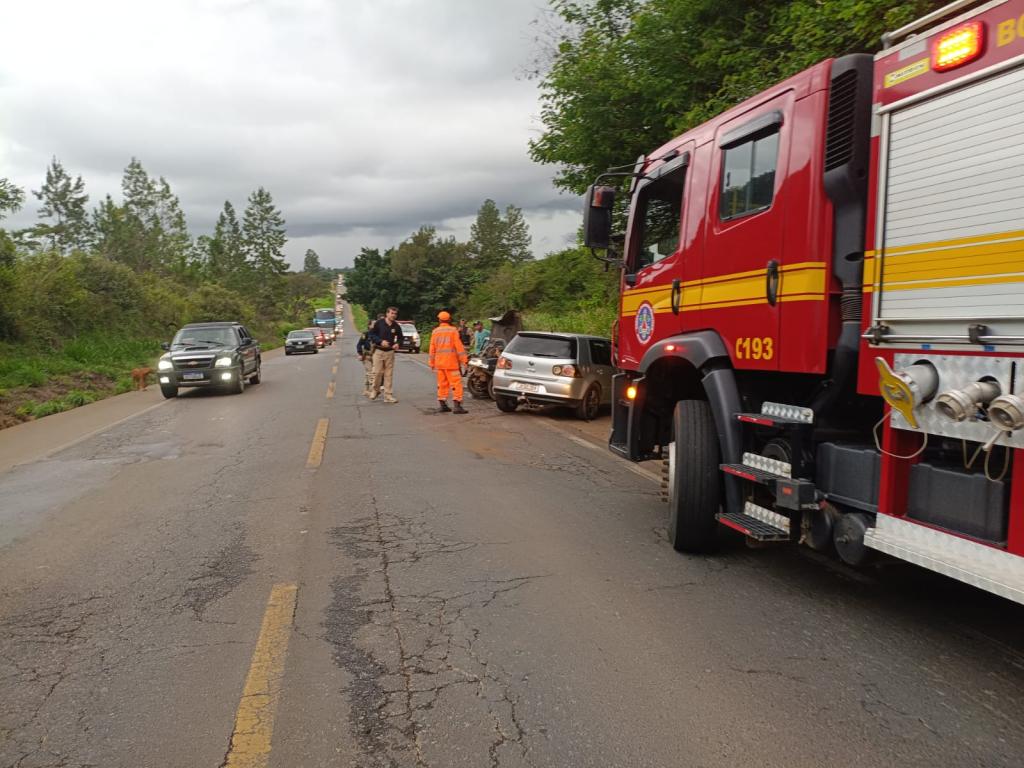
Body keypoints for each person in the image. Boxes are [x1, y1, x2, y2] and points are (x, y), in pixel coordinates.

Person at [429, 311, 468, 414]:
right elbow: (459, 347)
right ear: (449, 319)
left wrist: (431, 362)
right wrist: (464, 360)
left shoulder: (435, 332)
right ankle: (457, 406)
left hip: (440, 364)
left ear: (439, 320)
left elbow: (432, 349)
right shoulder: (453, 330)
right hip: (451, 363)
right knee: (456, 384)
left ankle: (443, 405)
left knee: (442, 384)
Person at [369, 306, 403, 403]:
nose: (393, 315)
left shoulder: (396, 326)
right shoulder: (379, 323)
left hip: (390, 352)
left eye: (395, 314)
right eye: (392, 313)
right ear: (387, 313)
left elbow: (401, 337)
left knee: (388, 374)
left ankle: (388, 395)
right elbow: (371, 335)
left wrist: (398, 344)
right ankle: (375, 390)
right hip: (379, 351)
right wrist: (380, 341)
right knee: (377, 373)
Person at [356, 321, 375, 396]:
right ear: (369, 326)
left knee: (370, 373)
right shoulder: (366, 334)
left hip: (376, 356)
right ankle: (372, 390)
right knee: (370, 372)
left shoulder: (378, 334)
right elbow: (359, 344)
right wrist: (360, 353)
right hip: (367, 356)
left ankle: (366, 389)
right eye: (374, 324)